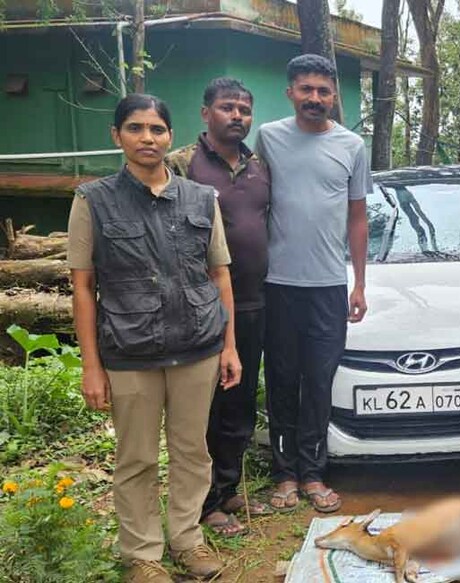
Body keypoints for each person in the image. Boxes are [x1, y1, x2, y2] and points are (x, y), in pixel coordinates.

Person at [68, 94, 241, 583]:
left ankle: (187, 540)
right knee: (137, 456)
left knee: (192, 451)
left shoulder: (200, 198)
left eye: (157, 129)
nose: (148, 138)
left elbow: (220, 276)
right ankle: (142, 554)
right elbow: (83, 287)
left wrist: (229, 346)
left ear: (170, 135)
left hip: (198, 346)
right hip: (129, 351)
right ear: (117, 135)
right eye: (136, 128)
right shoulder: (93, 201)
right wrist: (91, 366)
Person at [255, 54, 370, 514]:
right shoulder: (268, 138)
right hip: (277, 284)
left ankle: (314, 472)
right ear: (290, 92)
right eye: (306, 89)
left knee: (319, 380)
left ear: (333, 96)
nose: (315, 99)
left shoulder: (351, 146)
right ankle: (284, 474)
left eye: (323, 91)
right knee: (281, 378)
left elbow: (357, 218)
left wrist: (358, 283)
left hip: (328, 286)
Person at [166, 77, 271, 537]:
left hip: (254, 304)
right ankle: (203, 503)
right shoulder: (181, 164)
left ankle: (227, 490)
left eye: (244, 110)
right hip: (199, 307)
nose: (238, 117)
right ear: (206, 112)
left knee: (241, 403)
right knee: (203, 407)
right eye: (228, 108)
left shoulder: (260, 165)